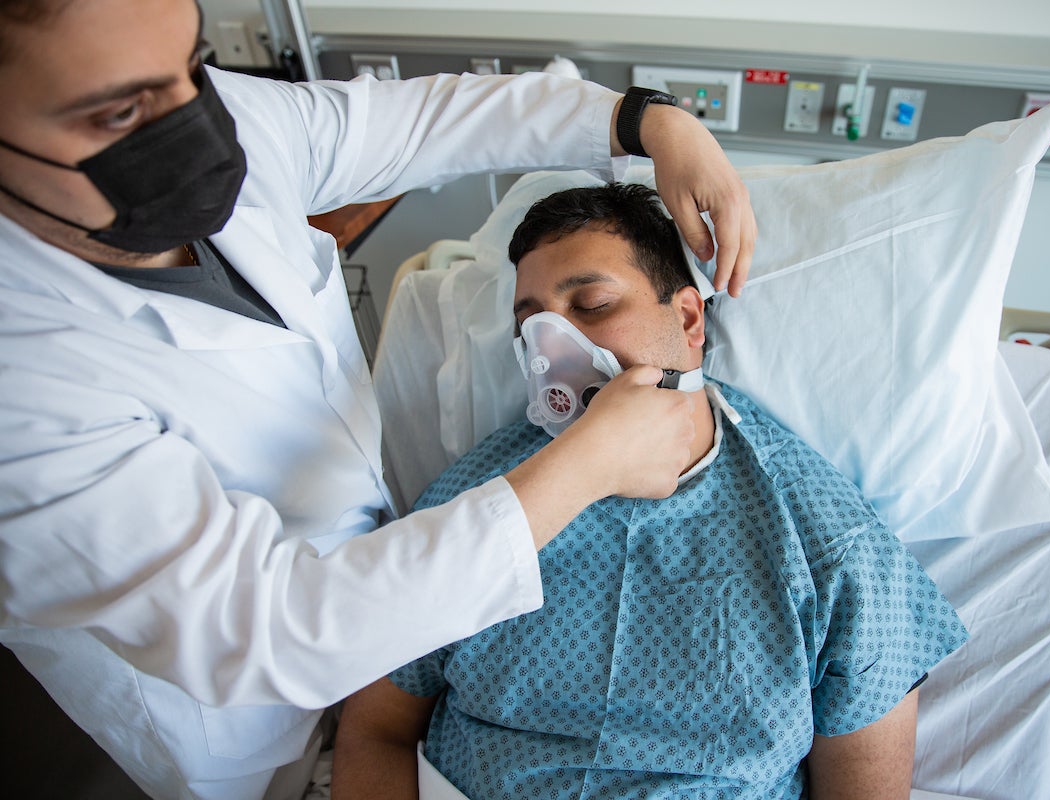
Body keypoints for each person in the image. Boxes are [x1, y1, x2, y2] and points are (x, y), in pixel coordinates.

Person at [0, 1, 759, 798]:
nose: (198, 127)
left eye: (191, 66)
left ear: (690, 315)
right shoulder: (23, 379)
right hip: (247, 716)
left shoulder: (230, 119)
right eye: (122, 111)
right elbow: (268, 630)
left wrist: (646, 121)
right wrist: (587, 464)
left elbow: (433, 120)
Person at [331, 183, 970, 800]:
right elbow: (374, 729)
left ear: (689, 318)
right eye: (533, 327)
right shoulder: (472, 505)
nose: (556, 351)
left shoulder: (828, 545)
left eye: (593, 306)